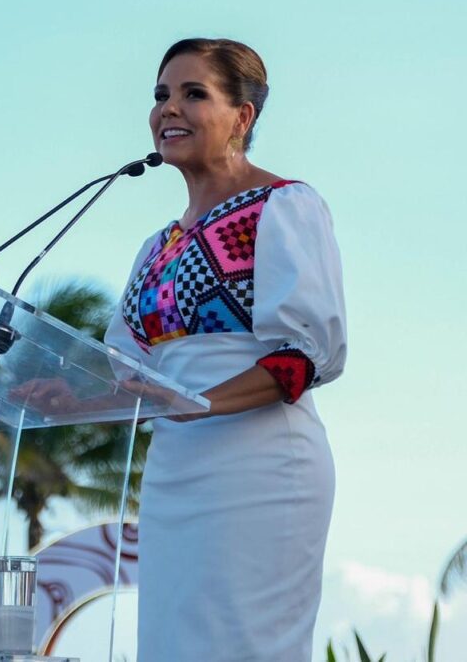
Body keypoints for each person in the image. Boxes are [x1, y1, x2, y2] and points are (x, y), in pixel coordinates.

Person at [102, 38, 347, 660]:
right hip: (174, 471)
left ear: (243, 116)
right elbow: (127, 369)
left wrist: (203, 403)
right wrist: (65, 390)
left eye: (193, 94)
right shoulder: (157, 246)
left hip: (260, 466)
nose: (168, 110)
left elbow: (307, 356)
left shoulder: (282, 207)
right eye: (161, 95)